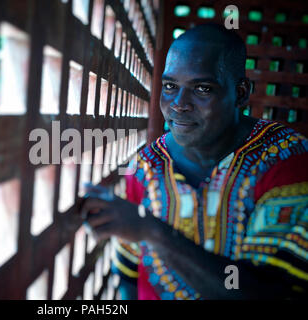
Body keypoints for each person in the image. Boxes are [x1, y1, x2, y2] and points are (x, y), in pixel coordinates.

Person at [79, 24, 308, 300]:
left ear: (241, 93)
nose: (179, 104)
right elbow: (128, 275)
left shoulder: (285, 158)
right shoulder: (145, 167)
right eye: (170, 86)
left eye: (202, 88)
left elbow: (271, 292)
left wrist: (153, 232)